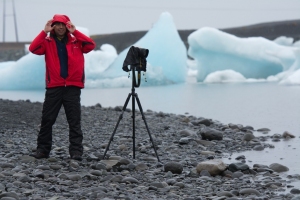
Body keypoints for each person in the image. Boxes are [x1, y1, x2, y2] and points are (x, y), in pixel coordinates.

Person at [29, 14, 96, 161]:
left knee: (74, 120)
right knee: (47, 120)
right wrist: (43, 31)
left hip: (72, 86)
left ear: (67, 26)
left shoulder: (76, 41)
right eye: (57, 24)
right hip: (54, 87)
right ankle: (42, 150)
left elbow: (91, 45)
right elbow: (33, 49)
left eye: (63, 24)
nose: (60, 27)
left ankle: (76, 152)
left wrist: (75, 32)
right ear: (53, 26)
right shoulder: (47, 42)